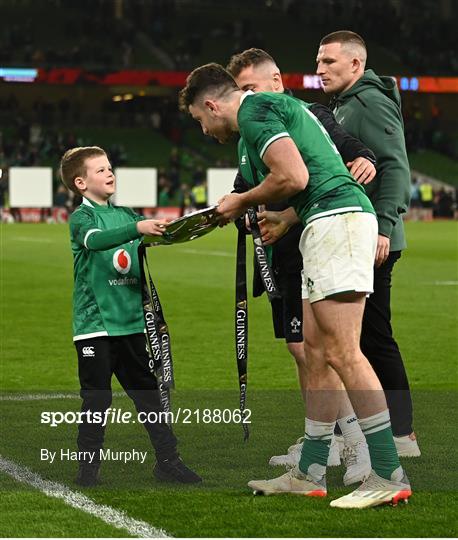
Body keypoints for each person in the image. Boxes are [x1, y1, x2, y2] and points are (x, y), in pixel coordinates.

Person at [179, 63, 412, 508]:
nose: (203, 129)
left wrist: (242, 200)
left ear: (211, 104)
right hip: (323, 222)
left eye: (199, 119)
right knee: (317, 352)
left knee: (344, 352)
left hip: (335, 220)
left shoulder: (254, 111)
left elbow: (294, 178)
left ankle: (387, 473)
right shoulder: (265, 113)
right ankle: (310, 472)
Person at [226, 48, 378, 485]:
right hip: (284, 256)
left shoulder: (305, 115)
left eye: (251, 88)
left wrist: (365, 156)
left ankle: (357, 446)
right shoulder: (250, 132)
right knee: (308, 351)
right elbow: (244, 187)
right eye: (239, 91)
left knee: (331, 352)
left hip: (319, 237)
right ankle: (321, 447)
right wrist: (241, 211)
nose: (245, 99)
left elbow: (343, 156)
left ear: (276, 81)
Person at [60, 146, 201, 487]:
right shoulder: (83, 218)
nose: (109, 173)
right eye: (100, 170)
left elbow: (161, 236)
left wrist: (199, 223)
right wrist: (138, 227)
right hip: (96, 327)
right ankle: (88, 470)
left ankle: (168, 461)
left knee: (148, 396)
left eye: (110, 168)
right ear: (81, 183)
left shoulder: (126, 214)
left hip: (132, 324)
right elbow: (96, 242)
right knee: (97, 398)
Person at [316, 31, 420, 456]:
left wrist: (382, 225)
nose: (319, 69)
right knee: (354, 340)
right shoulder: (345, 104)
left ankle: (399, 434)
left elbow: (395, 167)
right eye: (318, 62)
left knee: (369, 339)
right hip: (358, 233)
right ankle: (357, 434)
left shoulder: (369, 102)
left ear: (356, 66)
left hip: (372, 237)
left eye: (329, 63)